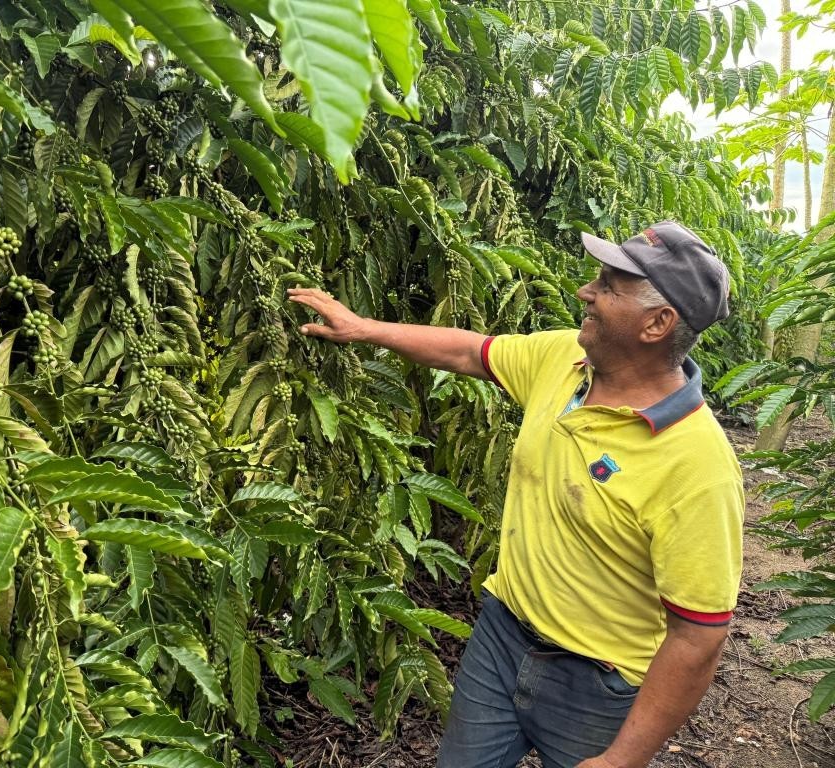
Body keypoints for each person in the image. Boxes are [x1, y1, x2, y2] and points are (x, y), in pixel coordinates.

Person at [287, 221, 744, 768]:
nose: (586, 292)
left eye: (609, 285)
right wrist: (364, 329)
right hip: (502, 637)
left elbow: (698, 639)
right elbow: (471, 354)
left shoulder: (697, 466)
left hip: (598, 686)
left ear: (658, 323)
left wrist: (624, 758)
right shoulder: (564, 360)